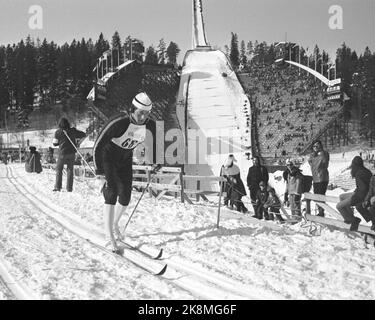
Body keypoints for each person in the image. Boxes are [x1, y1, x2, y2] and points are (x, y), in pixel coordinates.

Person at [93, 92, 157, 252]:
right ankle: (109, 236)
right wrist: (99, 171)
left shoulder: (150, 124)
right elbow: (98, 145)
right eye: (140, 113)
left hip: (125, 160)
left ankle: (114, 224)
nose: (143, 117)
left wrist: (156, 161)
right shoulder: (118, 121)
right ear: (132, 109)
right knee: (112, 192)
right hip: (108, 158)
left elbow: (154, 143)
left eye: (146, 114)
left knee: (126, 197)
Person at [336, 156, 373, 231]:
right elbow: (363, 186)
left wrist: (354, 199)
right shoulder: (366, 171)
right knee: (342, 196)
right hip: (361, 193)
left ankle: (354, 220)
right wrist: (355, 192)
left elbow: (363, 189)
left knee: (339, 206)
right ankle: (350, 217)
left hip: (361, 196)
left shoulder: (359, 173)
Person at [52, 117, 86, 192]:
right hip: (72, 153)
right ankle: (69, 188)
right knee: (70, 170)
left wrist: (60, 142)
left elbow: (54, 143)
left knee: (59, 170)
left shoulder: (58, 132)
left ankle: (58, 187)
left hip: (62, 153)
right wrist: (78, 143)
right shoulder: (73, 131)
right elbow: (84, 134)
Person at [308, 140, 329, 216]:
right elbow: (311, 163)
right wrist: (313, 156)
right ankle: (320, 211)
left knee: (320, 196)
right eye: (314, 146)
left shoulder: (323, 154)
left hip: (322, 178)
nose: (315, 147)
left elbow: (323, 162)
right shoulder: (314, 156)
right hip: (316, 178)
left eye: (317, 146)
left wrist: (316, 155)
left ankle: (321, 212)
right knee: (316, 196)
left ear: (320, 146)